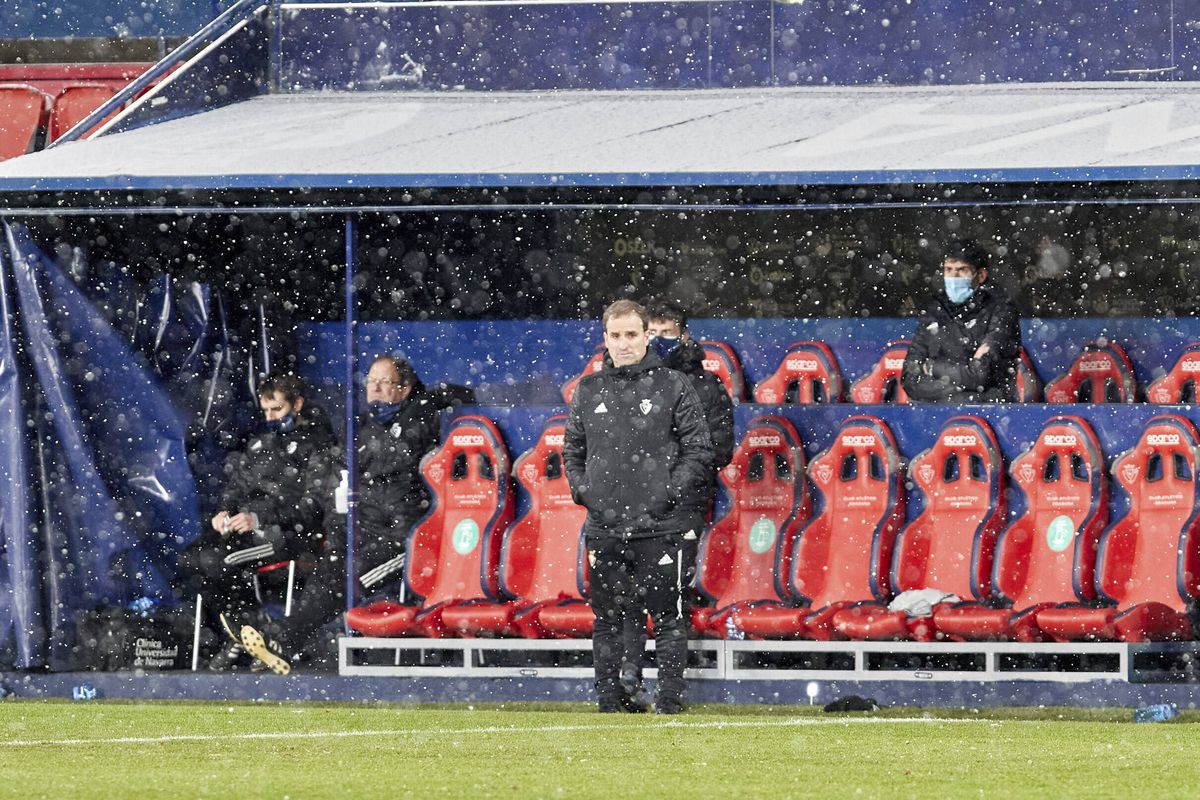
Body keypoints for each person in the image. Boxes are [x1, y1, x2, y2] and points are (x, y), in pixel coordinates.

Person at [225, 355, 442, 675]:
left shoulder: (421, 415)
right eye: (371, 382)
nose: (376, 389)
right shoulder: (362, 426)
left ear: (405, 388)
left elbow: (394, 457)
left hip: (406, 537)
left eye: (385, 382)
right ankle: (285, 641)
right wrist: (339, 530)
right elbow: (336, 479)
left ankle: (283, 636)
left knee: (349, 577)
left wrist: (363, 454)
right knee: (329, 573)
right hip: (361, 528)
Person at [563, 299, 714, 714]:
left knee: (668, 618)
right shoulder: (588, 389)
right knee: (607, 621)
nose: (624, 344)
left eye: (632, 334)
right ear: (605, 339)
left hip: (662, 524)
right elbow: (572, 451)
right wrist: (584, 491)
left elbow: (699, 449)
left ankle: (669, 703)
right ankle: (609, 704)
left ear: (647, 335)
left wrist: (667, 492)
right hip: (604, 526)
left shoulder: (673, 384)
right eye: (616, 336)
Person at [611, 301, 734, 703]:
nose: (658, 341)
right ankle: (628, 672)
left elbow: (716, 450)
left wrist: (666, 480)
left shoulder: (705, 386)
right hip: (632, 503)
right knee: (628, 587)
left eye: (667, 333)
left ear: (683, 335)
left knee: (668, 594)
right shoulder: (625, 382)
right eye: (654, 333)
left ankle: (669, 691)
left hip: (682, 505)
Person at [177, 370, 335, 670]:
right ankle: (245, 633)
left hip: (288, 537)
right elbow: (237, 484)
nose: (271, 417)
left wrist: (260, 518)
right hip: (246, 530)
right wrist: (224, 510)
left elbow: (313, 507)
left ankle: (249, 633)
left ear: (297, 404)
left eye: (278, 409)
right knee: (189, 560)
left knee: (217, 561)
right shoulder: (261, 443)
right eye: (266, 410)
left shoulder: (319, 445)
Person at [901, 239, 1022, 403]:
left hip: (991, 415)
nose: (953, 277)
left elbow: (980, 376)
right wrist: (959, 388)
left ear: (981, 275)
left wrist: (930, 367)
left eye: (961, 270)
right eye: (948, 270)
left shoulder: (1001, 311)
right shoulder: (935, 311)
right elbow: (909, 379)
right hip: (933, 415)